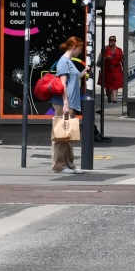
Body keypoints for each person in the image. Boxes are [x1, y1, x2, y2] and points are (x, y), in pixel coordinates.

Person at [50, 36, 84, 175]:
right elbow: (62, 85)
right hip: (64, 103)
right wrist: (65, 103)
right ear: (74, 47)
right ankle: (58, 166)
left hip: (70, 103)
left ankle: (69, 164)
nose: (80, 52)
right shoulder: (64, 62)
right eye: (80, 48)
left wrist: (82, 73)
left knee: (67, 134)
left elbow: (71, 80)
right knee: (60, 135)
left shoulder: (68, 61)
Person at [102, 35, 125, 103]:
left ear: (115, 41)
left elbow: (122, 60)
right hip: (108, 69)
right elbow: (101, 59)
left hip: (116, 69)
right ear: (108, 41)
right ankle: (109, 98)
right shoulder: (105, 49)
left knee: (115, 85)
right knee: (108, 85)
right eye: (110, 40)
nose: (112, 41)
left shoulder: (119, 50)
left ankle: (114, 99)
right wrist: (106, 58)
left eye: (113, 40)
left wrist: (123, 59)